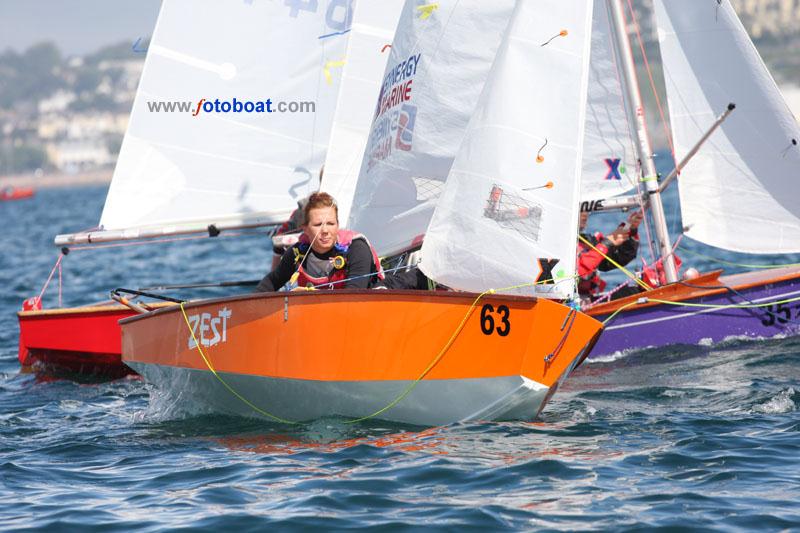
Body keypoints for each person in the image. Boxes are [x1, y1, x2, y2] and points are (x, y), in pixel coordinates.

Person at [256, 191, 385, 291]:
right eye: (318, 225)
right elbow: (270, 283)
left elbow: (354, 295)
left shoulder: (357, 248)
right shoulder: (297, 253)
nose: (325, 230)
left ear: (338, 225)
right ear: (305, 229)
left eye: (330, 223)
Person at [577, 209, 642, 301]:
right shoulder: (558, 247)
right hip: (567, 304)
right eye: (581, 209)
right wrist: (605, 244)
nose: (585, 213)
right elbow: (577, 274)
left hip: (588, 299)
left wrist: (629, 228)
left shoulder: (586, 242)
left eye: (586, 210)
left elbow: (619, 257)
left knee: (636, 292)